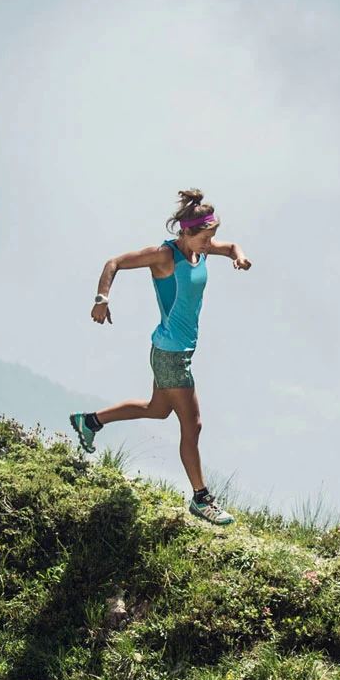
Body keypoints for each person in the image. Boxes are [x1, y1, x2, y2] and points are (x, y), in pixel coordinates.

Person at [69, 189, 251, 524]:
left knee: (157, 409)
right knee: (192, 425)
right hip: (170, 355)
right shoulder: (164, 256)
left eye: (212, 237)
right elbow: (114, 263)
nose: (211, 243)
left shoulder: (202, 251)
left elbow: (230, 247)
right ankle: (201, 499)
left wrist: (238, 256)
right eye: (205, 238)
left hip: (172, 348)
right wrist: (101, 298)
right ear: (185, 232)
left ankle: (90, 420)